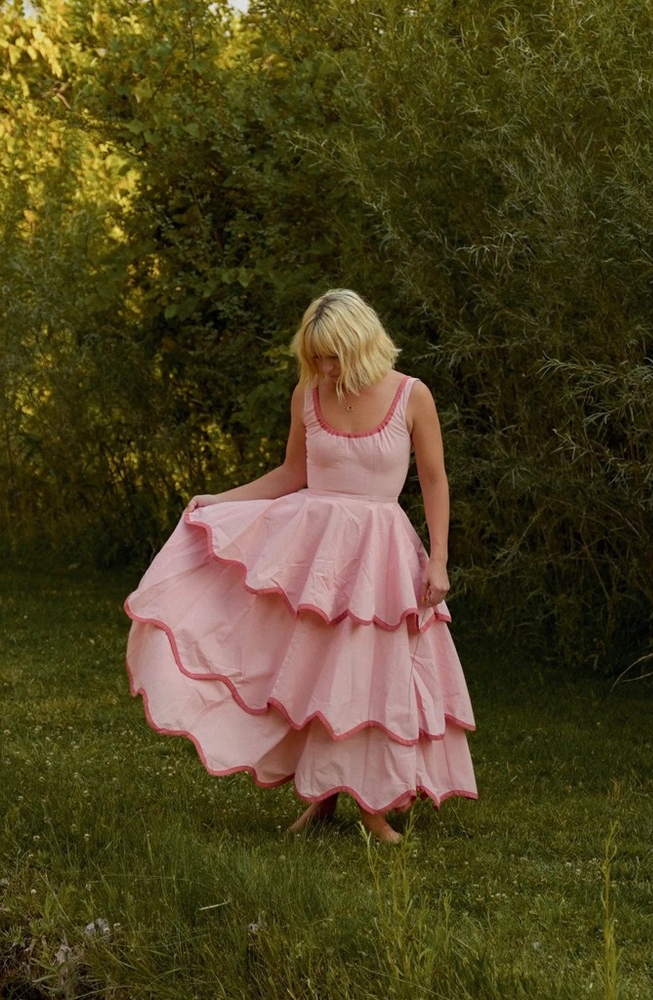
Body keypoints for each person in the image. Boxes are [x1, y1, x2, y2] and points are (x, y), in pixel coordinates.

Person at [124, 289, 476, 844]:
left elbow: (435, 479)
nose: (324, 367)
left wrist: (440, 559)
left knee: (369, 675)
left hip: (381, 558)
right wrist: (223, 500)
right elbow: (291, 475)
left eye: (333, 355)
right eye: (316, 357)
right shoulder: (309, 395)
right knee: (318, 673)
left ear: (360, 343)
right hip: (318, 557)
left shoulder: (413, 395)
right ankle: (321, 796)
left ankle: (373, 807)